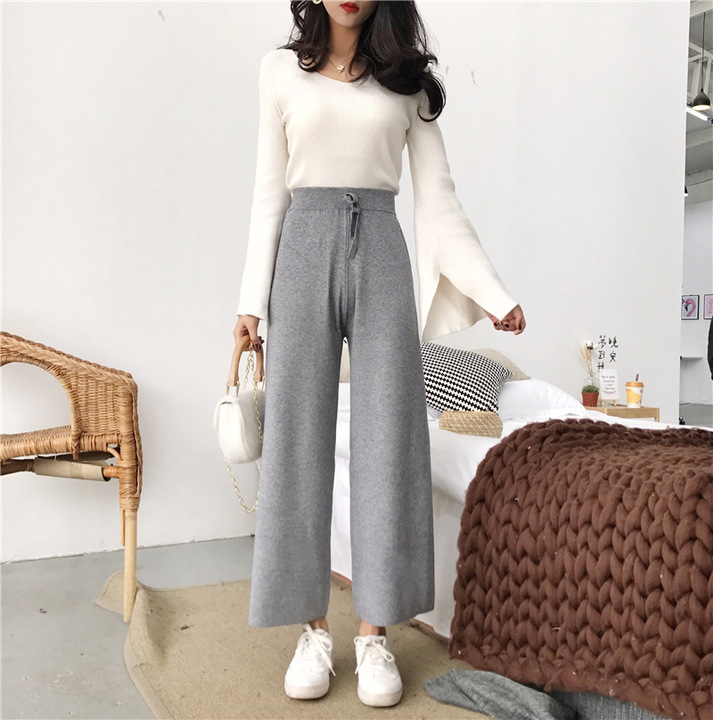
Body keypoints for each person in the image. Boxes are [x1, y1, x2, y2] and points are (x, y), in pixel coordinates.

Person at [232, 0, 526, 708]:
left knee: (390, 440)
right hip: (302, 250)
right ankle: (311, 630)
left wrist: (491, 293)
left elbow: (439, 200)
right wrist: (248, 305)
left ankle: (373, 634)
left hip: (383, 255)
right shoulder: (279, 71)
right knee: (296, 439)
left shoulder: (405, 83)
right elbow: (267, 195)